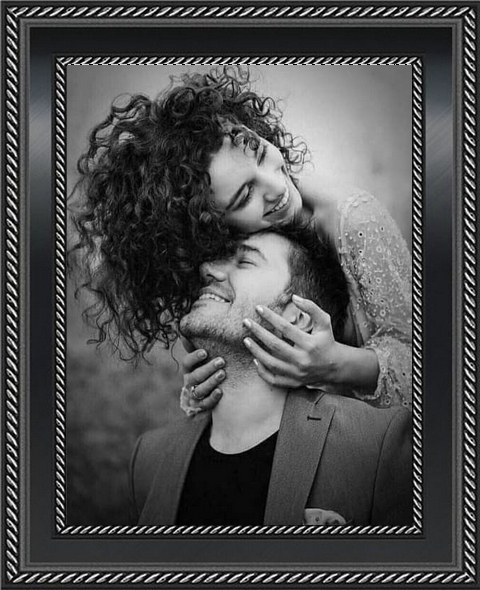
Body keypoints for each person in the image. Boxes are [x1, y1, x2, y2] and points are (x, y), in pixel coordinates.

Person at [71, 66, 412, 413]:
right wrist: (206, 381)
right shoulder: (219, 265)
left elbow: (419, 362)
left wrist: (335, 364)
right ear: (209, 225)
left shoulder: (354, 220)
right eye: (245, 195)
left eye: (260, 153)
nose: (277, 186)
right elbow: (229, 368)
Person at [129, 226, 412, 526]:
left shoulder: (372, 446)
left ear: (297, 317)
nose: (208, 269)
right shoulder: (148, 459)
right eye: (217, 259)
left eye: (245, 261)